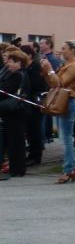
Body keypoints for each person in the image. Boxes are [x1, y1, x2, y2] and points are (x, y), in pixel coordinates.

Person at [40, 40, 75, 183]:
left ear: (72, 50)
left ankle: (69, 169)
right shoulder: (66, 65)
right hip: (62, 102)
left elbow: (60, 83)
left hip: (69, 102)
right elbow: (52, 83)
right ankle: (71, 169)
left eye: (64, 48)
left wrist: (50, 68)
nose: (61, 50)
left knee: (66, 140)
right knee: (64, 139)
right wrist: (47, 71)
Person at [0, 50, 32, 180]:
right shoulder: (16, 73)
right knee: (14, 141)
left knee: (16, 141)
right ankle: (16, 168)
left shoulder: (19, 75)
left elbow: (5, 90)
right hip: (13, 112)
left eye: (12, 61)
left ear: (19, 63)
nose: (9, 64)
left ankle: (17, 168)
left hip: (16, 112)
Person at [19, 43, 47, 166]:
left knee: (35, 130)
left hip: (35, 103)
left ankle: (36, 156)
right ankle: (31, 153)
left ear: (29, 55)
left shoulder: (35, 67)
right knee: (29, 130)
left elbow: (37, 85)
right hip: (27, 103)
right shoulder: (25, 67)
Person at [39, 37, 61, 144]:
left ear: (48, 45)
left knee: (46, 115)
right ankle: (48, 136)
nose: (40, 45)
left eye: (42, 43)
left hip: (49, 89)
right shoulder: (43, 57)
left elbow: (55, 75)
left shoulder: (52, 59)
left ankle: (47, 136)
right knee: (46, 114)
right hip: (45, 89)